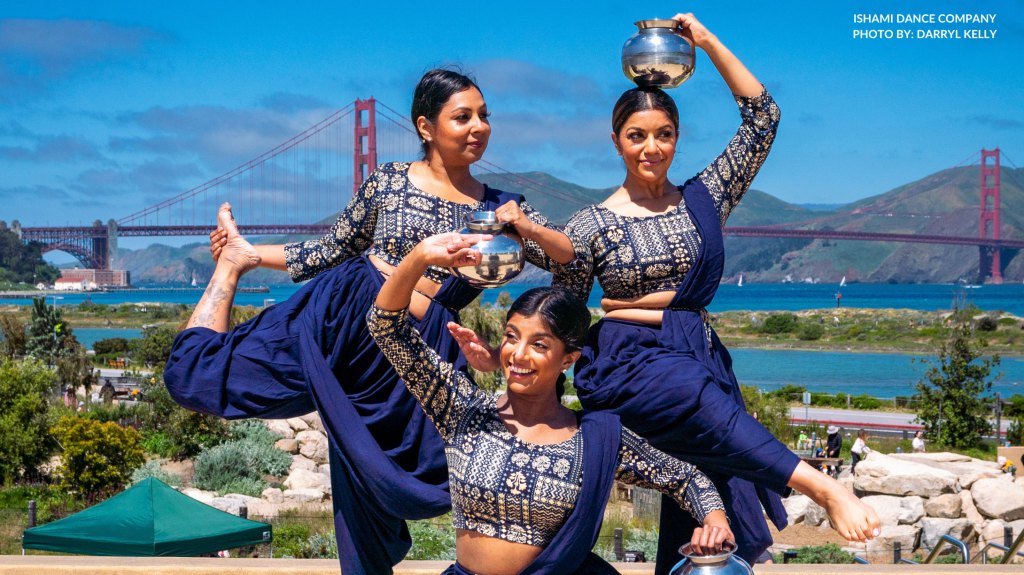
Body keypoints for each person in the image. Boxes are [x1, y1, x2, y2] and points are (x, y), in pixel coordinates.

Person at [449, 12, 879, 570]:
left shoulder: (703, 200)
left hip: (694, 353)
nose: (651, 148)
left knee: (703, 514)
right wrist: (506, 363)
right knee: (696, 394)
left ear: (677, 138)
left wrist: (705, 40)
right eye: (636, 136)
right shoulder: (592, 224)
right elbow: (566, 312)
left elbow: (763, 118)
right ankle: (823, 486)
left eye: (664, 135)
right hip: (629, 366)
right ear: (615, 141)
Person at [164, 68, 581, 575]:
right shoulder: (388, 181)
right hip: (345, 318)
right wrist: (249, 256)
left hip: (417, 349)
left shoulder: (499, 206)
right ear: (426, 127)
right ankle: (230, 265)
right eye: (463, 116)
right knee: (205, 377)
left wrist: (526, 225)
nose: (479, 127)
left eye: (484, 116)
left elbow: (568, 258)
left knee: (402, 478)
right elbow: (330, 251)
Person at [368, 231, 734, 575]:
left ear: (568, 359)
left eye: (540, 345)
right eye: (512, 337)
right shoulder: (463, 410)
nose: (518, 354)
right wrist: (418, 258)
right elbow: (385, 327)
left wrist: (715, 521)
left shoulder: (595, 438)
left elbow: (686, 479)